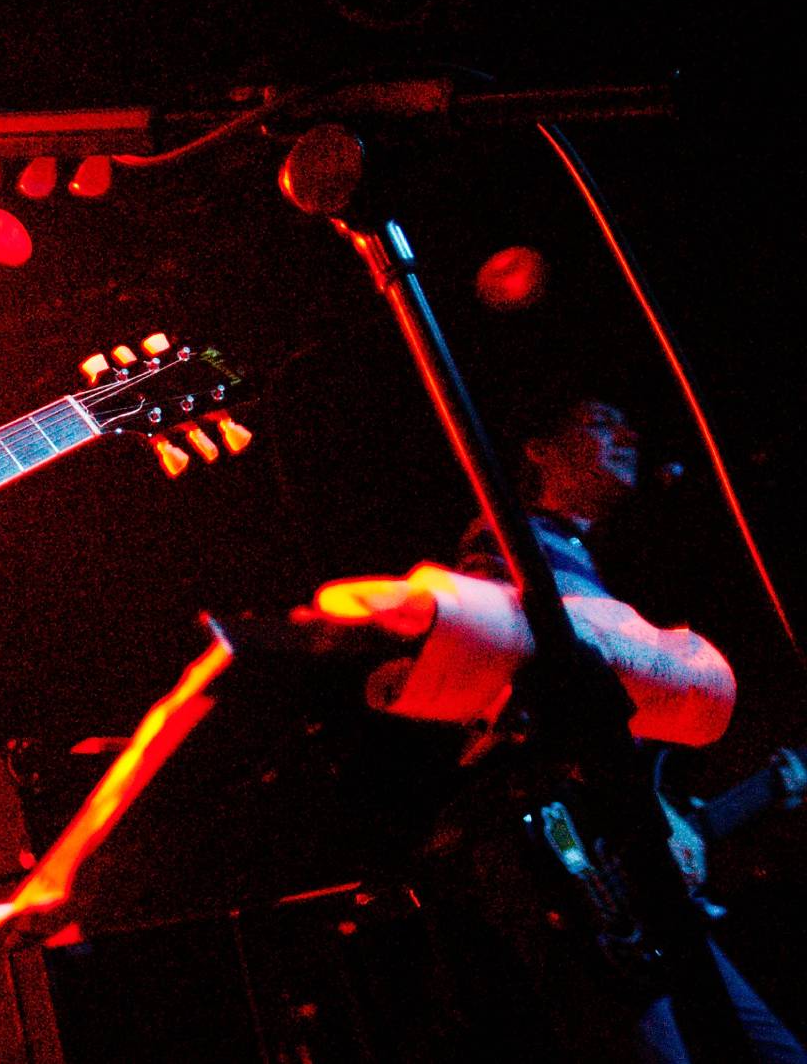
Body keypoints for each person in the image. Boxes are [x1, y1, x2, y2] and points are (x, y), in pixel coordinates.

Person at [306, 395, 802, 1062]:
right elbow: (515, 684)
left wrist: (660, 805)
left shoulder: (570, 552)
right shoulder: (511, 540)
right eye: (598, 421)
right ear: (539, 450)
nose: (627, 430)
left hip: (615, 853)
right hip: (566, 857)